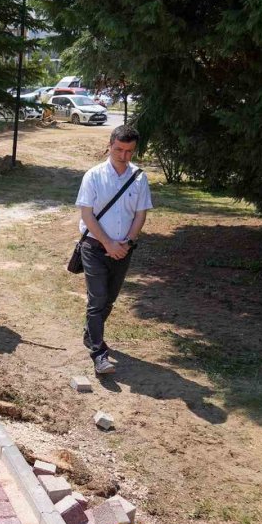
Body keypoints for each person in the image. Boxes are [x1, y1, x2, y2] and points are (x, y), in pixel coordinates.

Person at [75, 124, 152, 374]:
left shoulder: (139, 178)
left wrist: (127, 243)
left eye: (129, 151)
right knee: (97, 299)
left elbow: (140, 215)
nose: (123, 156)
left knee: (109, 300)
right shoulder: (94, 176)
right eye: (119, 149)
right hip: (94, 247)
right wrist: (108, 243)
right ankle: (99, 353)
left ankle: (90, 333)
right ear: (110, 146)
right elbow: (87, 215)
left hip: (123, 249)